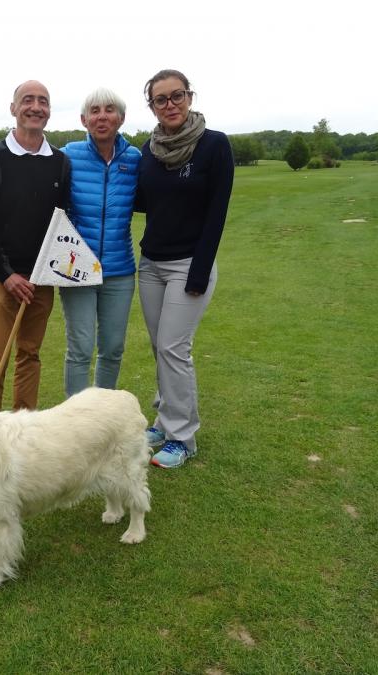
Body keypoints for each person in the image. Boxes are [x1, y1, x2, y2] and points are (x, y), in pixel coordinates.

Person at [0, 88, 141, 398]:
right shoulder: (58, 156)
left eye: (109, 110)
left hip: (58, 276)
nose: (102, 116)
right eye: (95, 110)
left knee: (34, 357)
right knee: (0, 362)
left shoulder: (121, 159)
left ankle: (56, 427)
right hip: (27, 275)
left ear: (122, 118)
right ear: (83, 119)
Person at [136, 69, 234, 468]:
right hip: (151, 264)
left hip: (189, 265)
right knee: (160, 346)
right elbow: (140, 200)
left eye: (177, 96)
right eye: (161, 99)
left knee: (175, 348)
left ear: (189, 98)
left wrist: (198, 272)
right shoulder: (148, 150)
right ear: (152, 106)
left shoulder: (213, 145)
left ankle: (182, 437)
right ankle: (164, 418)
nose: (170, 104)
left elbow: (217, 213)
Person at [0, 80, 71, 412]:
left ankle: (22, 433)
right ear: (13, 108)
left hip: (41, 281)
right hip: (3, 279)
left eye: (43, 101)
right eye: (27, 100)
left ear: (49, 111)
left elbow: (61, 221)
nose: (35, 106)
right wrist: (6, 275)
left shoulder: (60, 162)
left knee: (30, 356)